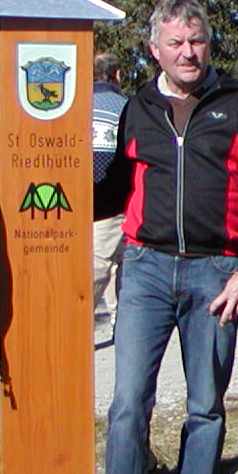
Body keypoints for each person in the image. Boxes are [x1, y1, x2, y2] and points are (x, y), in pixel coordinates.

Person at [79, 0, 238, 474]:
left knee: (205, 407)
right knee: (127, 407)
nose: (188, 52)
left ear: (207, 43)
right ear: (155, 51)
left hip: (215, 274)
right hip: (145, 270)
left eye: (196, 41)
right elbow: (112, 189)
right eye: (175, 43)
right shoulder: (135, 110)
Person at [91, 50, 128, 341]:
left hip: (83, 200)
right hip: (117, 200)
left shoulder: (79, 107)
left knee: (107, 262)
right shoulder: (125, 108)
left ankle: (120, 320)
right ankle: (78, 321)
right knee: (108, 264)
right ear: (118, 75)